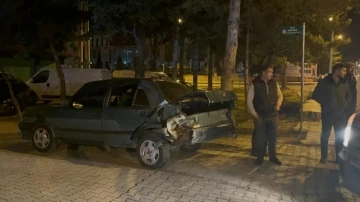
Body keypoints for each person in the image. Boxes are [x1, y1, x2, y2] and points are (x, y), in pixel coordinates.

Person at [312, 63, 352, 164]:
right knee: (325, 135)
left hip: (340, 115)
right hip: (328, 114)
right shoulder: (325, 82)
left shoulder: (345, 83)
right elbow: (315, 95)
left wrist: (345, 105)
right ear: (336, 71)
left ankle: (338, 159)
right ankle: (324, 157)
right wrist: (325, 104)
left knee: (339, 137)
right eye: (343, 70)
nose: (345, 73)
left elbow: (349, 97)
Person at [247, 65, 283, 166]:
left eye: (272, 72)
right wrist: (255, 114)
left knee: (273, 137)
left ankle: (273, 157)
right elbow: (249, 100)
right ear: (263, 73)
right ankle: (260, 157)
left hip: (273, 115)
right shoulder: (255, 84)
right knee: (260, 138)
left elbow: (280, 95)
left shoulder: (274, 83)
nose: (271, 74)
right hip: (260, 116)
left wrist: (278, 104)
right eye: (269, 72)